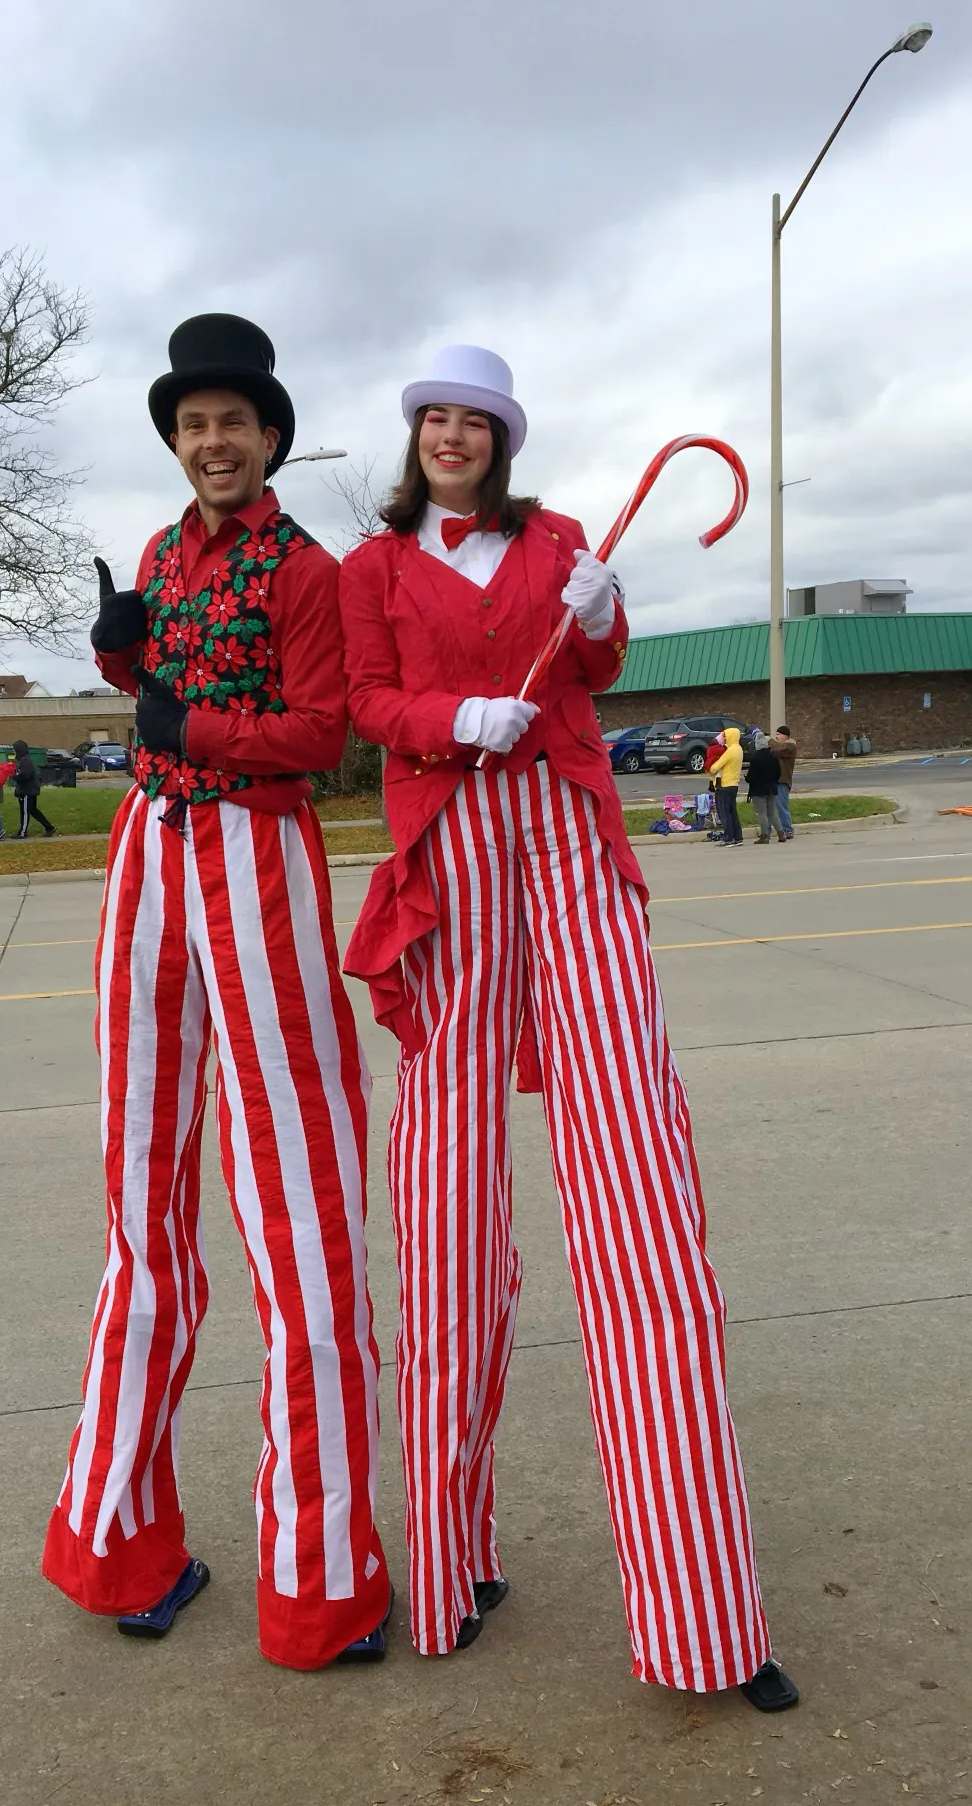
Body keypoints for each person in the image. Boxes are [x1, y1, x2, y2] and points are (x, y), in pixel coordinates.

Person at [339, 342, 796, 1712]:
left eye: (475, 421)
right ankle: (451, 1559)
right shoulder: (372, 567)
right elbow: (364, 702)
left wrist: (600, 614)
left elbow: (596, 664)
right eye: (435, 418)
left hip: (570, 844)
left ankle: (710, 1618)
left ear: (503, 437)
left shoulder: (560, 539)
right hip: (450, 857)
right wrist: (443, 715)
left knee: (639, 1198)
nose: (454, 437)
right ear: (414, 434)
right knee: (447, 1208)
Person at [41, 313, 391, 1671]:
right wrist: (125, 654)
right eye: (193, 425)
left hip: (254, 852)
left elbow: (323, 732)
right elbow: (148, 697)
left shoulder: (313, 571)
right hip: (149, 851)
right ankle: (118, 1540)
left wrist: (194, 727)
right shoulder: (158, 551)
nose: (213, 442)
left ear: (272, 437)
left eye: (234, 422)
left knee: (300, 1211)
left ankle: (318, 1583)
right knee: (141, 1202)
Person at [707, 724, 745, 844]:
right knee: (732, 812)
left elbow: (715, 767)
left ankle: (728, 837)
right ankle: (738, 837)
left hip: (724, 785)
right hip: (734, 784)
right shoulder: (739, 749)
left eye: (725, 736)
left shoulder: (730, 751)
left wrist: (709, 767)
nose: (724, 738)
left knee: (724, 813)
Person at [11, 739, 56, 837]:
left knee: (25, 811)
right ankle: (49, 827)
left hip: (27, 790)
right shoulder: (24, 760)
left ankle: (22, 832)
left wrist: (15, 777)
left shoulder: (25, 761)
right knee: (33, 810)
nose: (14, 752)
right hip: (29, 789)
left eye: (15, 750)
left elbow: (25, 775)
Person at [745, 735, 784, 843]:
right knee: (772, 812)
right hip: (771, 788)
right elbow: (778, 773)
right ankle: (781, 833)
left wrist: (746, 778)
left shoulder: (755, 758)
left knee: (762, 813)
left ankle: (765, 835)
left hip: (758, 790)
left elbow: (751, 777)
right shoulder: (773, 757)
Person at [772, 725, 797, 838]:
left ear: (786, 735)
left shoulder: (790, 746)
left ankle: (788, 830)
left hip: (783, 780)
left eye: (779, 734)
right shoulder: (781, 746)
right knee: (776, 806)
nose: (777, 737)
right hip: (776, 779)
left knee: (782, 806)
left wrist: (769, 740)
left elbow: (779, 750)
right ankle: (782, 829)